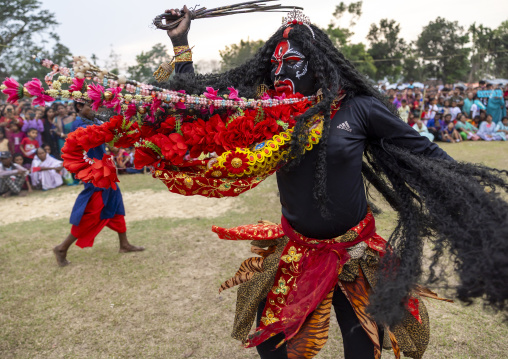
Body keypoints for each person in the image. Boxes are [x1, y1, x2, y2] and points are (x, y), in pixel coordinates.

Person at [159, 7, 508, 359]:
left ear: (318, 63)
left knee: (361, 352)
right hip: (297, 253)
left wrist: (476, 197)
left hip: (354, 255)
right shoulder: (270, 115)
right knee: (272, 349)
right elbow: (199, 105)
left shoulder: (359, 109)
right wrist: (180, 42)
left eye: (292, 61)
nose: (281, 71)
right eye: (275, 64)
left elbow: (425, 153)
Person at [53, 101, 144, 267]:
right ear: (79, 107)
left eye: (96, 106)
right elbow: (92, 140)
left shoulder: (93, 121)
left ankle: (124, 244)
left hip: (105, 168)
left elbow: (103, 137)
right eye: (90, 106)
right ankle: (62, 248)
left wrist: (111, 146)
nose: (95, 109)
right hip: (94, 173)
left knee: (116, 205)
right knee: (92, 212)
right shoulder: (79, 124)